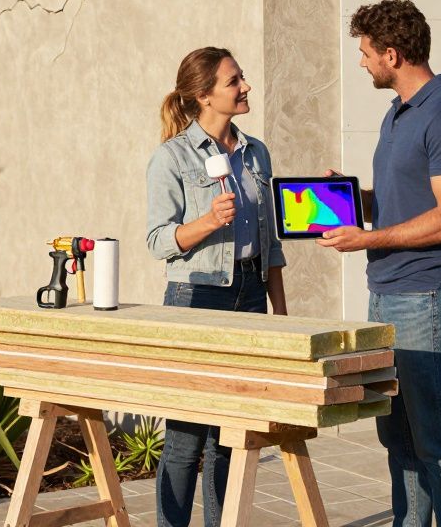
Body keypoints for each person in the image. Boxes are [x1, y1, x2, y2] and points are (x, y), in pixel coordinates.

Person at [317, 0, 441, 527]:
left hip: (428, 295)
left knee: (437, 436)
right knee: (397, 435)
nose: (362, 63)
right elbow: (405, 199)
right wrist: (349, 200)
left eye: (366, 53)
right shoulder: (398, 112)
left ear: (392, 53)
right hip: (387, 291)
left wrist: (369, 238)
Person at [145, 46, 287, 527]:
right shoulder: (172, 157)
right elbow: (157, 240)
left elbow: (271, 241)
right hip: (196, 297)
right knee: (185, 439)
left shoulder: (256, 153)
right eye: (235, 81)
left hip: (250, 295)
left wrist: (280, 315)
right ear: (204, 96)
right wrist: (207, 222)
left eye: (242, 78)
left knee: (232, 435)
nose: (245, 86)